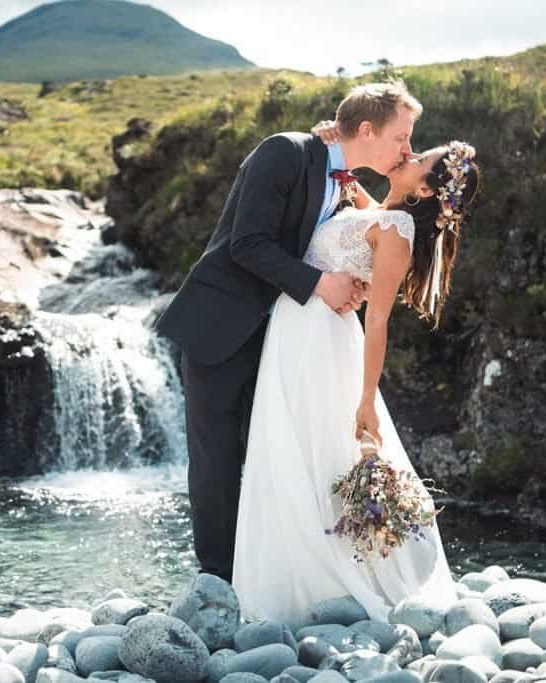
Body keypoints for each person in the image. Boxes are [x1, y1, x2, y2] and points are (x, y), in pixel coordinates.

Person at [155, 82, 422, 584]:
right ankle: (219, 580)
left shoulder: (340, 178)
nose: (406, 150)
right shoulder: (284, 151)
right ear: (367, 130)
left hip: (284, 339)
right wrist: (322, 282)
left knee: (272, 452)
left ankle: (271, 576)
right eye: (401, 138)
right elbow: (246, 243)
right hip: (223, 325)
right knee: (216, 458)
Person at [231, 125, 482, 625]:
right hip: (297, 331)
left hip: (322, 342)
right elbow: (351, 191)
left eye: (418, 158)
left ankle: (326, 587)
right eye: (410, 145)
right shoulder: (382, 213)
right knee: (290, 447)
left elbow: (380, 319)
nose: (407, 153)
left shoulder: (399, 232)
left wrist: (367, 398)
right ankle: (289, 583)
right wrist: (334, 139)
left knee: (312, 450)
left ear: (427, 190)